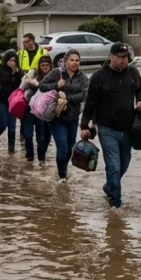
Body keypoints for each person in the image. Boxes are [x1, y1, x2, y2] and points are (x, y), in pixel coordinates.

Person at [80, 43, 141, 209]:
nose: (123, 61)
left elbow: (140, 90)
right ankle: (115, 204)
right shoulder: (98, 76)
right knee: (113, 166)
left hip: (128, 127)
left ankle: (109, 186)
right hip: (106, 127)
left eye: (126, 58)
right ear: (111, 56)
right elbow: (90, 103)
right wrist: (84, 125)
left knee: (124, 164)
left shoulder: (133, 73)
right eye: (120, 57)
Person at [38, 49, 88, 182]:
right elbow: (42, 86)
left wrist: (68, 97)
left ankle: (63, 169)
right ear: (65, 61)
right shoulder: (57, 73)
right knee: (62, 146)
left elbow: (84, 95)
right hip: (57, 116)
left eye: (77, 60)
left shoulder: (82, 77)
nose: (74, 63)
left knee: (70, 147)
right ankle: (62, 177)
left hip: (73, 117)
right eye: (71, 60)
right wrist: (56, 85)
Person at [0, 50, 23, 152]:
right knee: (3, 124)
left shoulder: (18, 71)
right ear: (6, 60)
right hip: (1, 100)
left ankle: (11, 151)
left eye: (14, 60)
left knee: (12, 128)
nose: (12, 62)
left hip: (13, 102)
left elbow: (20, 85)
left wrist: (16, 73)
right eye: (10, 60)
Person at [21, 55, 54, 162]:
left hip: (46, 111)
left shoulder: (55, 77)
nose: (45, 67)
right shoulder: (34, 75)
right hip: (30, 109)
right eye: (42, 65)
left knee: (43, 136)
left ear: (50, 66)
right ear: (39, 66)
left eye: (47, 65)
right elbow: (22, 88)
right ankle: (30, 156)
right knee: (28, 135)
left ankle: (41, 158)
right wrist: (30, 82)